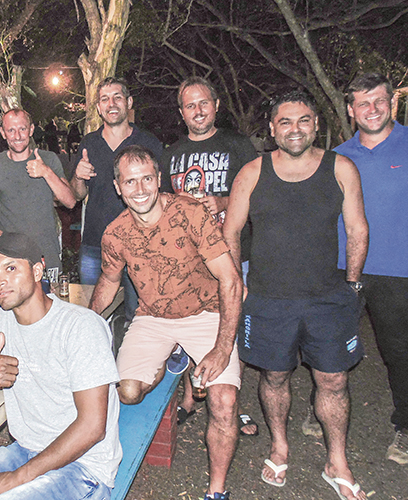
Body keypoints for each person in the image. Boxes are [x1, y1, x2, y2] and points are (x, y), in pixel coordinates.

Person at [223, 90, 368, 500]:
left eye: (303, 120)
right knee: (274, 376)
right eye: (285, 122)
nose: (295, 129)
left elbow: (357, 228)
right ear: (272, 129)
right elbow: (230, 230)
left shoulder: (341, 168)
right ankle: (279, 446)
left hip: (328, 297)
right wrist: (239, 283)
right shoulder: (252, 172)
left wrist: (353, 285)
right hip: (269, 299)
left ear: (316, 124)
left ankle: (336, 461)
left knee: (334, 379)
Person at [89, 145, 242, 500]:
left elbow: (230, 280)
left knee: (224, 402)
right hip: (153, 317)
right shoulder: (115, 233)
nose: (140, 189)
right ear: (117, 187)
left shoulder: (190, 213)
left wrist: (222, 348)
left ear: (158, 179)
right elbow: (109, 282)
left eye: (146, 179)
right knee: (127, 393)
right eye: (130, 182)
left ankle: (216, 490)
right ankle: (173, 360)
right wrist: (87, 323)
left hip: (206, 313)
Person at [0, 232, 121, 499]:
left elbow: (92, 427)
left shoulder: (80, 326)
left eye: (10, 268)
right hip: (24, 452)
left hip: (83, 467)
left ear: (37, 271)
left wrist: (19, 477)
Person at [335, 72, 408, 465]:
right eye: (363, 102)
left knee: (399, 351)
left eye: (380, 100)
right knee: (332, 345)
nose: (372, 109)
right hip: (345, 269)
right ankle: (324, 409)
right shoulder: (339, 155)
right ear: (351, 109)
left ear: (393, 102)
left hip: (400, 271)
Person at [162, 76, 259, 434]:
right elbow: (161, 204)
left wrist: (223, 202)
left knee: (233, 327)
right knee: (193, 327)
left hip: (233, 255)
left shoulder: (239, 145)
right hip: (189, 261)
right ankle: (191, 396)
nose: (198, 110)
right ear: (181, 112)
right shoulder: (171, 153)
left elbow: (260, 193)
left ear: (216, 106)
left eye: (204, 102)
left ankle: (235, 401)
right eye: (190, 105)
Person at [69, 77, 165, 325]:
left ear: (128, 102)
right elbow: (77, 195)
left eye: (117, 97)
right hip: (95, 245)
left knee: (139, 317)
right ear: (98, 108)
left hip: (141, 245)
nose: (111, 104)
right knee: (92, 316)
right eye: (105, 99)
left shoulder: (148, 143)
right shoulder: (89, 143)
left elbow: (162, 194)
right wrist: (78, 176)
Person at [0, 108, 76, 274]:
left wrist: (46, 172)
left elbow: (70, 202)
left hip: (46, 252)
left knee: (51, 290)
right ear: (3, 133)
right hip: (10, 253)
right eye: (11, 130)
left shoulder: (49, 159)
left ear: (31, 130)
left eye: (22, 129)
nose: (17, 136)